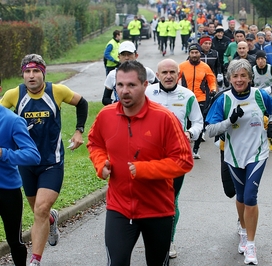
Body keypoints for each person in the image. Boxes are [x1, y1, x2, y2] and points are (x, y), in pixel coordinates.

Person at [87, 60, 194, 266]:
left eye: (131, 85)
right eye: (120, 85)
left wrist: (145, 169)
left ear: (145, 86)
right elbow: (94, 143)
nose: (124, 91)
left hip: (157, 209)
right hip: (119, 208)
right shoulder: (106, 115)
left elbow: (184, 161)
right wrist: (101, 163)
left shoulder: (165, 118)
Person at [0, 54, 88, 266]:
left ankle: (35, 261)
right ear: (22, 74)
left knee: (40, 208)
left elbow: (82, 103)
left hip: (51, 162)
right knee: (39, 211)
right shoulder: (13, 95)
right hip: (26, 165)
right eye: (27, 72)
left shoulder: (57, 91)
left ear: (43, 73)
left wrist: (79, 131)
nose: (31, 76)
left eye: (36, 71)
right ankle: (51, 219)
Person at [205, 59, 272, 266]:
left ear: (249, 77)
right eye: (235, 76)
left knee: (250, 196)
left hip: (257, 153)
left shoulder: (260, 95)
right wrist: (230, 121)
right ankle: (243, 230)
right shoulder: (223, 99)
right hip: (233, 155)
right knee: (240, 195)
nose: (239, 80)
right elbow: (209, 130)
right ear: (229, 78)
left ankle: (251, 245)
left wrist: (271, 124)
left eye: (243, 76)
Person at [145, 59, 203, 259]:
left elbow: (198, 121)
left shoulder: (187, 95)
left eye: (172, 72)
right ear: (158, 75)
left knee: (171, 200)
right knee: (149, 199)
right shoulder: (147, 93)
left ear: (179, 75)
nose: (168, 76)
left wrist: (190, 133)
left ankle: (168, 241)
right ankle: (150, 237)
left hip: (175, 156)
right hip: (149, 155)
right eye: (164, 72)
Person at [0, 105, 41, 266]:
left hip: (7, 191)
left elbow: (33, 155)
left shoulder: (12, 120)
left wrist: (3, 153)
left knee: (14, 240)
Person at [179, 43, 217, 159]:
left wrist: (213, 89)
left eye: (196, 53)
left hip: (201, 98)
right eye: (192, 53)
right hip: (186, 98)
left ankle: (196, 149)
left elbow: (211, 80)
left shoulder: (205, 67)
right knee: (187, 124)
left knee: (198, 123)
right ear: (189, 54)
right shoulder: (182, 66)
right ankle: (186, 148)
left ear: (200, 53)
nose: (194, 55)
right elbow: (176, 79)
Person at [102, 41, 158, 106]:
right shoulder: (112, 74)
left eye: (129, 54)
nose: (126, 58)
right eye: (123, 55)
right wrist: (118, 103)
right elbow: (105, 99)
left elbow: (159, 88)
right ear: (119, 57)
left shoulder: (146, 71)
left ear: (136, 55)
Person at [253, 50, 272, 151]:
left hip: (270, 97)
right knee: (258, 119)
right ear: (256, 61)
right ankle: (259, 139)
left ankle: (270, 136)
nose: (260, 61)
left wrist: (270, 88)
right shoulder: (252, 70)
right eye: (258, 59)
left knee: (269, 118)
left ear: (266, 60)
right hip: (257, 98)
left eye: (262, 59)